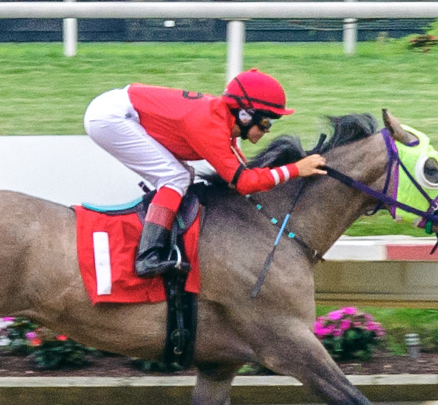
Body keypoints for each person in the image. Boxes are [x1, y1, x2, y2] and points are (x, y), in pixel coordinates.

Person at [83, 68, 328, 278]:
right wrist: (296, 169)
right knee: (175, 177)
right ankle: (147, 256)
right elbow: (243, 182)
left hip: (120, 110)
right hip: (110, 118)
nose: (268, 130)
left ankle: (164, 231)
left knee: (182, 175)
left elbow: (242, 170)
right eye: (266, 123)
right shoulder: (210, 125)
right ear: (245, 115)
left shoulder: (221, 119)